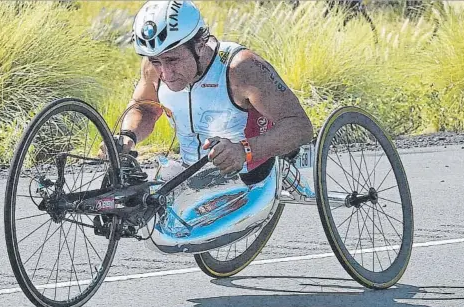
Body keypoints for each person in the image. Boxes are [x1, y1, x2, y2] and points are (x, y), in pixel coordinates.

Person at [99, 0, 313, 183]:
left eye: (173, 60)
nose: (165, 72)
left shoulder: (241, 68)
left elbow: (300, 126)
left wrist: (244, 150)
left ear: (200, 44)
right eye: (155, 61)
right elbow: (145, 107)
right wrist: (128, 136)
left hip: (249, 172)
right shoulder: (153, 68)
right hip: (192, 173)